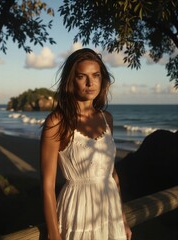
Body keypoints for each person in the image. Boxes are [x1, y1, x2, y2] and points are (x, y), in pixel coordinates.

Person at [40, 48, 132, 240]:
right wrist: (54, 235)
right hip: (78, 210)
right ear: (71, 80)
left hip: (110, 208)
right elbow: (47, 185)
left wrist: (122, 218)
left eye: (95, 75)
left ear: (102, 79)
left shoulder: (107, 118)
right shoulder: (57, 122)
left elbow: (112, 173)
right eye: (82, 76)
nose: (90, 83)